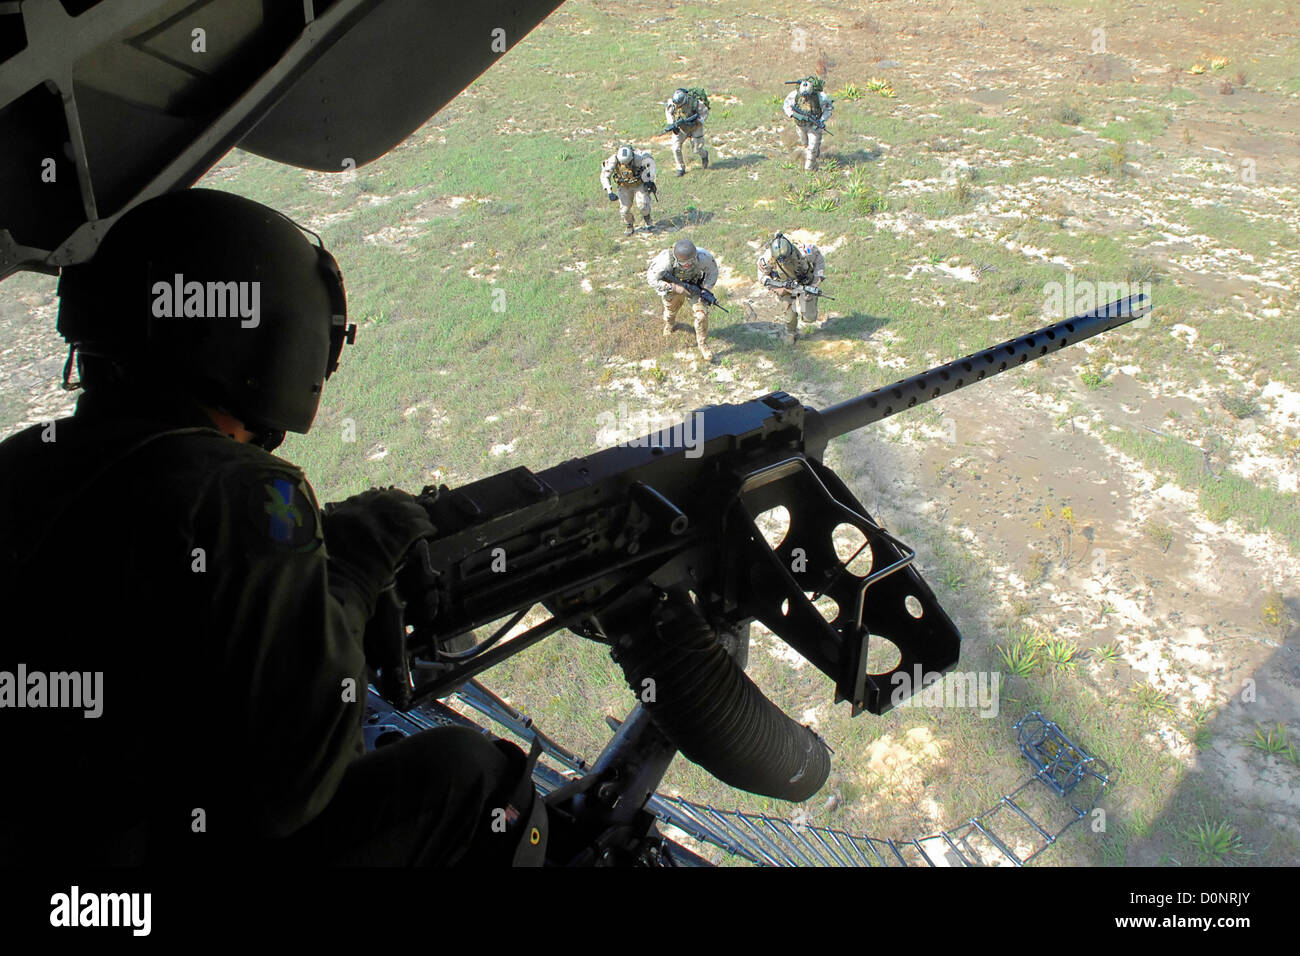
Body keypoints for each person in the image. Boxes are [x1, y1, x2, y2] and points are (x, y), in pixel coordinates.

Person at [0, 188, 543, 866]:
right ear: (272, 344)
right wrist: (349, 574)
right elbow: (296, 787)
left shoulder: (26, 457)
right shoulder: (239, 490)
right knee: (474, 779)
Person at [646, 238, 720, 363]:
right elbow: (651, 278)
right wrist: (673, 287)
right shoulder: (664, 260)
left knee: (702, 316)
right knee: (670, 311)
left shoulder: (704, 257)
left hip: (695, 288)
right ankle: (670, 323)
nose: (687, 266)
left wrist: (705, 289)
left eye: (690, 262)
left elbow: (713, 271)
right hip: (673, 288)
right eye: (683, 263)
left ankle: (702, 344)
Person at [757, 232, 827, 344]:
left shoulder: (806, 251)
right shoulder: (767, 259)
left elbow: (819, 261)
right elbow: (762, 277)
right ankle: (790, 332)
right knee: (790, 315)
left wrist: (815, 283)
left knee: (810, 317)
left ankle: (806, 309)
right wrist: (778, 289)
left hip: (806, 284)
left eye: (785, 259)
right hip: (785, 287)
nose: (783, 262)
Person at [600, 144, 657, 236]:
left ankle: (647, 219)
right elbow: (605, 176)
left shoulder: (639, 159)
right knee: (624, 210)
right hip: (624, 186)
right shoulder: (613, 161)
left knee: (643, 205)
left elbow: (651, 164)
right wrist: (609, 192)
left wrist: (650, 180)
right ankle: (629, 225)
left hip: (639, 184)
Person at [783, 76, 833, 170]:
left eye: (807, 96)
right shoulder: (794, 95)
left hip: (814, 126)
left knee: (812, 148)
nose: (805, 98)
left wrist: (822, 120)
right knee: (805, 144)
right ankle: (812, 154)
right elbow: (786, 106)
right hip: (800, 125)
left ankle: (809, 168)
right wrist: (795, 115)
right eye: (803, 96)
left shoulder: (821, 97)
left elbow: (828, 109)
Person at [663, 87, 710, 176]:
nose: (677, 106)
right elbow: (668, 113)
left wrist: (698, 121)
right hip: (682, 128)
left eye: (679, 105)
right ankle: (680, 168)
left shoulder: (695, 103)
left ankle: (704, 156)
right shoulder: (672, 104)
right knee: (675, 147)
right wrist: (671, 124)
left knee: (697, 149)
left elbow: (705, 112)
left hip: (696, 127)